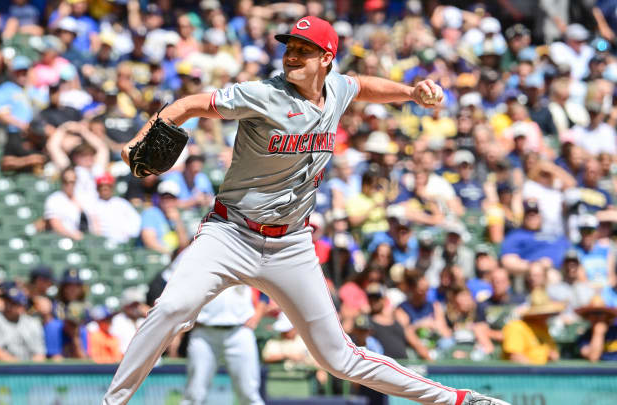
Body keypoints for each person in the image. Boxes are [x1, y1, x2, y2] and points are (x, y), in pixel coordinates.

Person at [104, 16, 508, 405]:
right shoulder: (261, 94)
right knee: (171, 308)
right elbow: (190, 103)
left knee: (339, 358)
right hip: (230, 233)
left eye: (304, 49)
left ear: (327, 59)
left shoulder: (337, 89)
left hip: (291, 244)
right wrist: (138, 139)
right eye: (290, 48)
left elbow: (361, 85)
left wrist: (409, 92)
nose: (292, 55)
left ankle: (458, 400)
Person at [181, 284, 266, 405]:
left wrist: (258, 314)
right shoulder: (197, 264)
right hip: (204, 331)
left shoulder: (248, 263)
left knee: (249, 393)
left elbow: (266, 287)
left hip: (240, 330)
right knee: (194, 394)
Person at [0, 281, 46, 362]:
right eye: (6, 301)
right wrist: (19, 367)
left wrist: (30, 369)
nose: (8, 306)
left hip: (29, 371)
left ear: (21, 306)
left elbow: (39, 354)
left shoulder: (33, 323)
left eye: (13, 303)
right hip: (2, 371)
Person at [502, 289, 564, 365]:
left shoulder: (544, 329)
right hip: (523, 375)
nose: (546, 316)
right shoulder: (516, 327)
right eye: (542, 314)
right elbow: (514, 356)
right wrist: (535, 370)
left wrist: (552, 356)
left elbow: (553, 353)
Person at [577, 296, 617, 362]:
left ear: (607, 315)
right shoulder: (584, 337)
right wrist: (598, 334)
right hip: (600, 371)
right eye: (593, 313)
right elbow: (594, 358)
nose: (597, 317)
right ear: (588, 316)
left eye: (600, 313)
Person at [87, 173, 141, 244]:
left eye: (107, 186)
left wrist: (129, 234)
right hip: (103, 243)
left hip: (125, 242)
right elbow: (94, 229)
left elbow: (136, 221)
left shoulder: (122, 203)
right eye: (102, 187)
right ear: (97, 189)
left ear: (112, 187)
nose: (105, 189)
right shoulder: (92, 205)